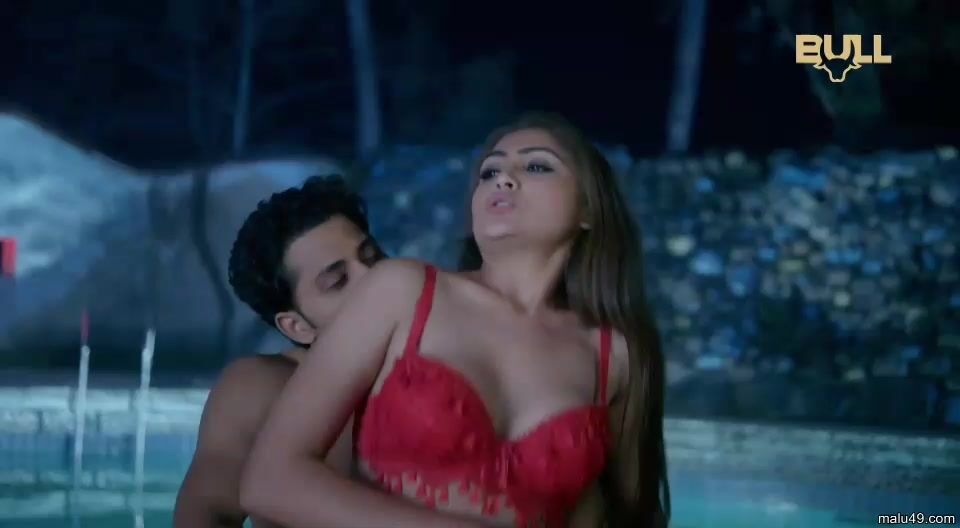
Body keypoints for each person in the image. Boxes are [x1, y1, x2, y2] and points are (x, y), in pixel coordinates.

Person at [240, 113, 670, 527]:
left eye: (537, 166)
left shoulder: (616, 353)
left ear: (588, 210)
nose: (503, 178)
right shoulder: (401, 291)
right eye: (489, 172)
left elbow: (627, 514)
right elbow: (269, 481)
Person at [173, 175, 386, 528]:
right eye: (337, 281)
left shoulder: (447, 348)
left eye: (373, 258)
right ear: (297, 326)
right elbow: (209, 512)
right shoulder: (263, 388)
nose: (373, 278)